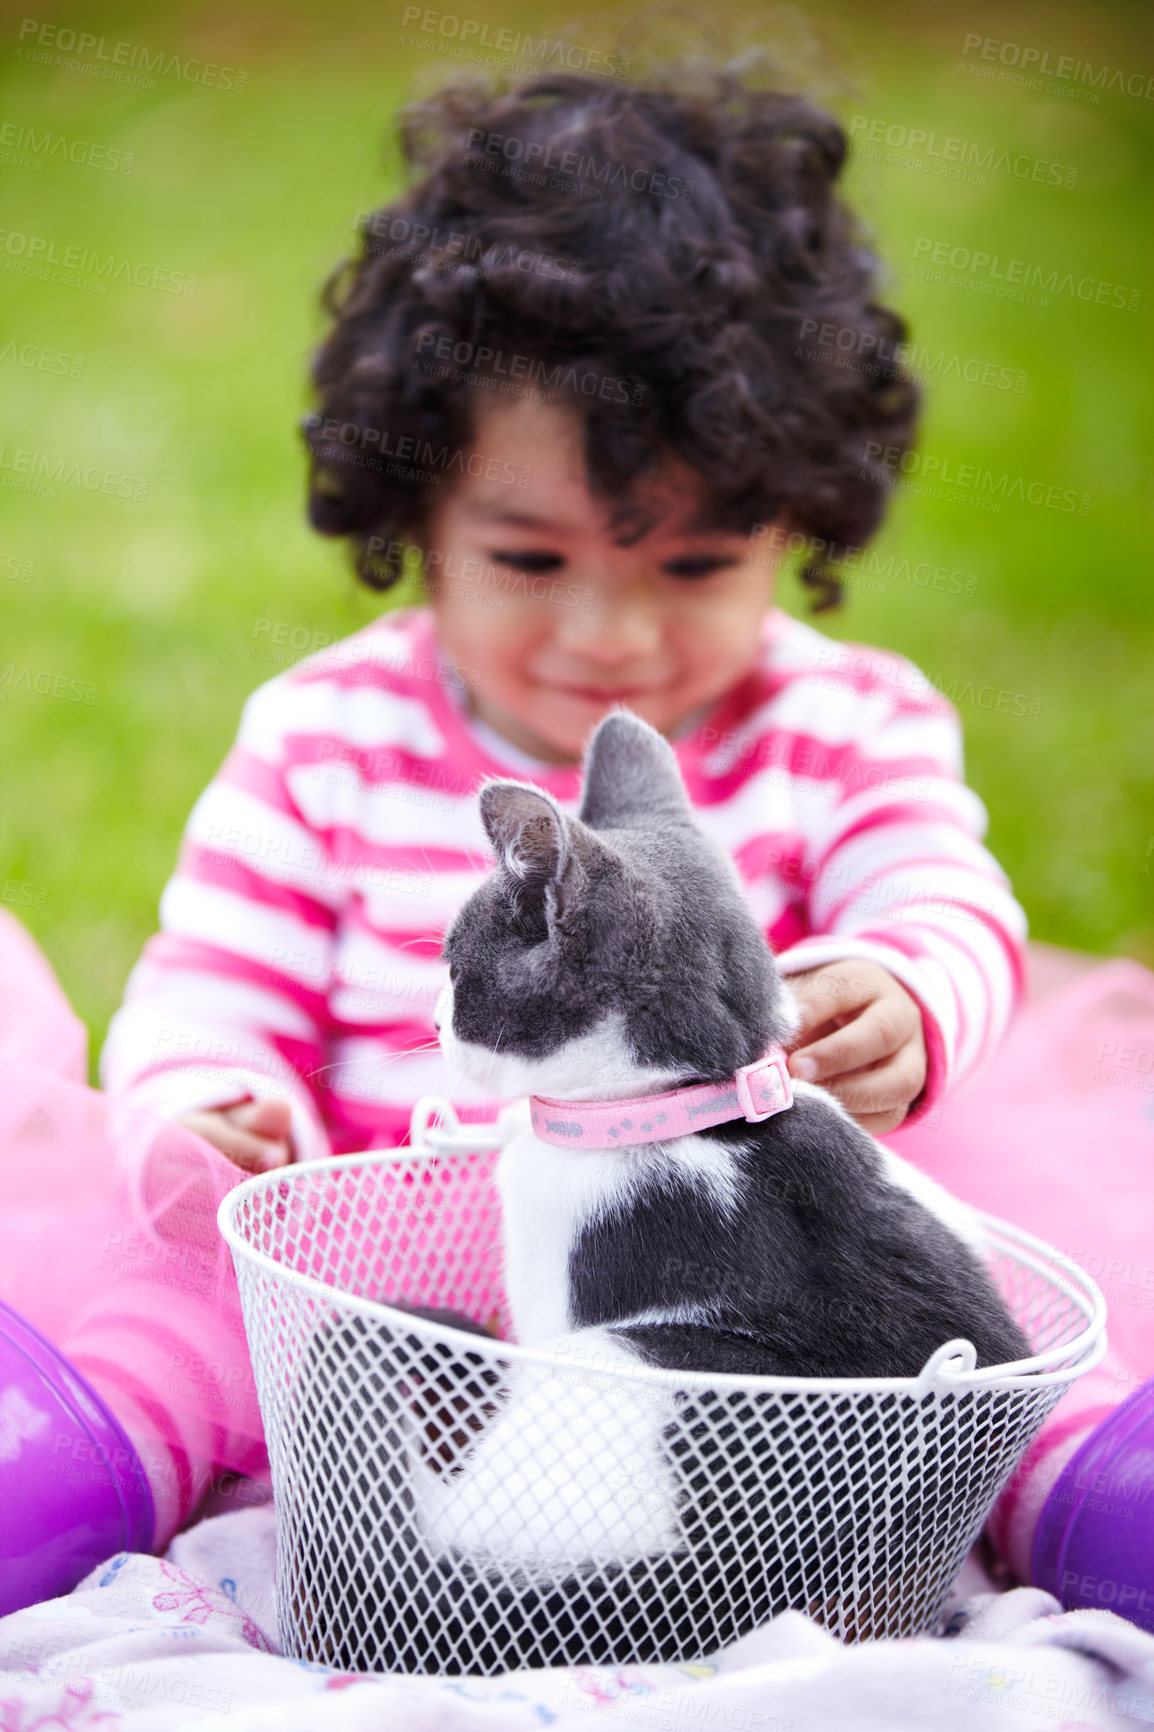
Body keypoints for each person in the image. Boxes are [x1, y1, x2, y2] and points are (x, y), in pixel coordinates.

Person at [101, 65, 1026, 1184]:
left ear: (796, 523)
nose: (608, 635)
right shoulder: (323, 743)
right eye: (530, 558)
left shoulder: (840, 731)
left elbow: (936, 898)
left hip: (725, 1318)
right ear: (416, 509)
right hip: (375, 1301)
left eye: (694, 563)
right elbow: (210, 992)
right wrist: (208, 1104)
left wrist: (903, 993)